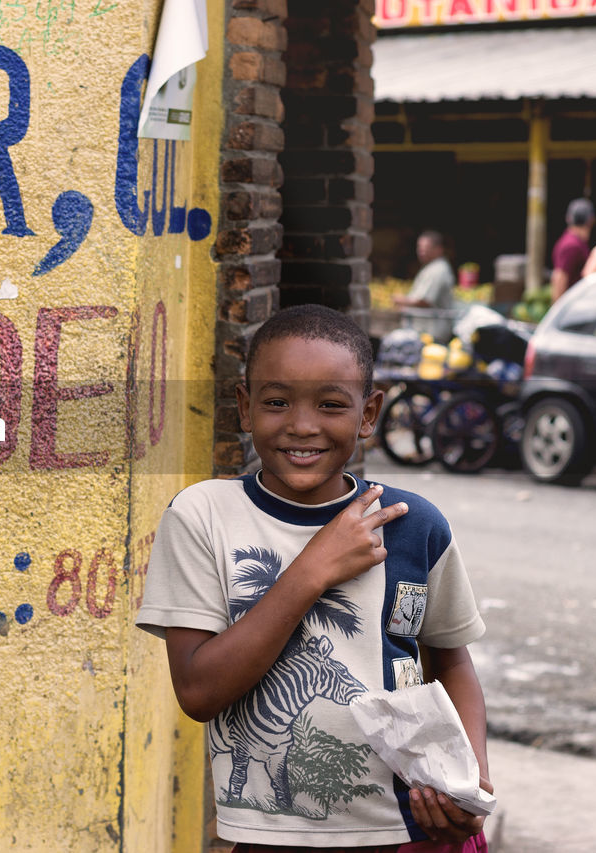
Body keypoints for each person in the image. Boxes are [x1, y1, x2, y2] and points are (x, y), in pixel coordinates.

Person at [137, 304, 490, 852]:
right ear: (244, 407)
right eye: (276, 402)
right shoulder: (202, 515)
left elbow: (450, 661)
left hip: (412, 830)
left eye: (330, 404)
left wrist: (470, 780)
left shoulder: (414, 526)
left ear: (369, 412)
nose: (302, 425)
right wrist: (312, 571)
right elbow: (199, 691)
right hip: (270, 838)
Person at [393, 231, 455, 310]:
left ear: (439, 249)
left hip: (433, 322)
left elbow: (425, 301)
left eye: (427, 248)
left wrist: (401, 300)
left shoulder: (438, 269)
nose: (422, 252)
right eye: (419, 247)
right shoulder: (432, 266)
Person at [550, 198, 594, 302]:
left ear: (568, 218)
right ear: (591, 220)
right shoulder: (571, 245)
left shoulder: (576, 242)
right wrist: (557, 313)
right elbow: (560, 278)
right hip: (572, 306)